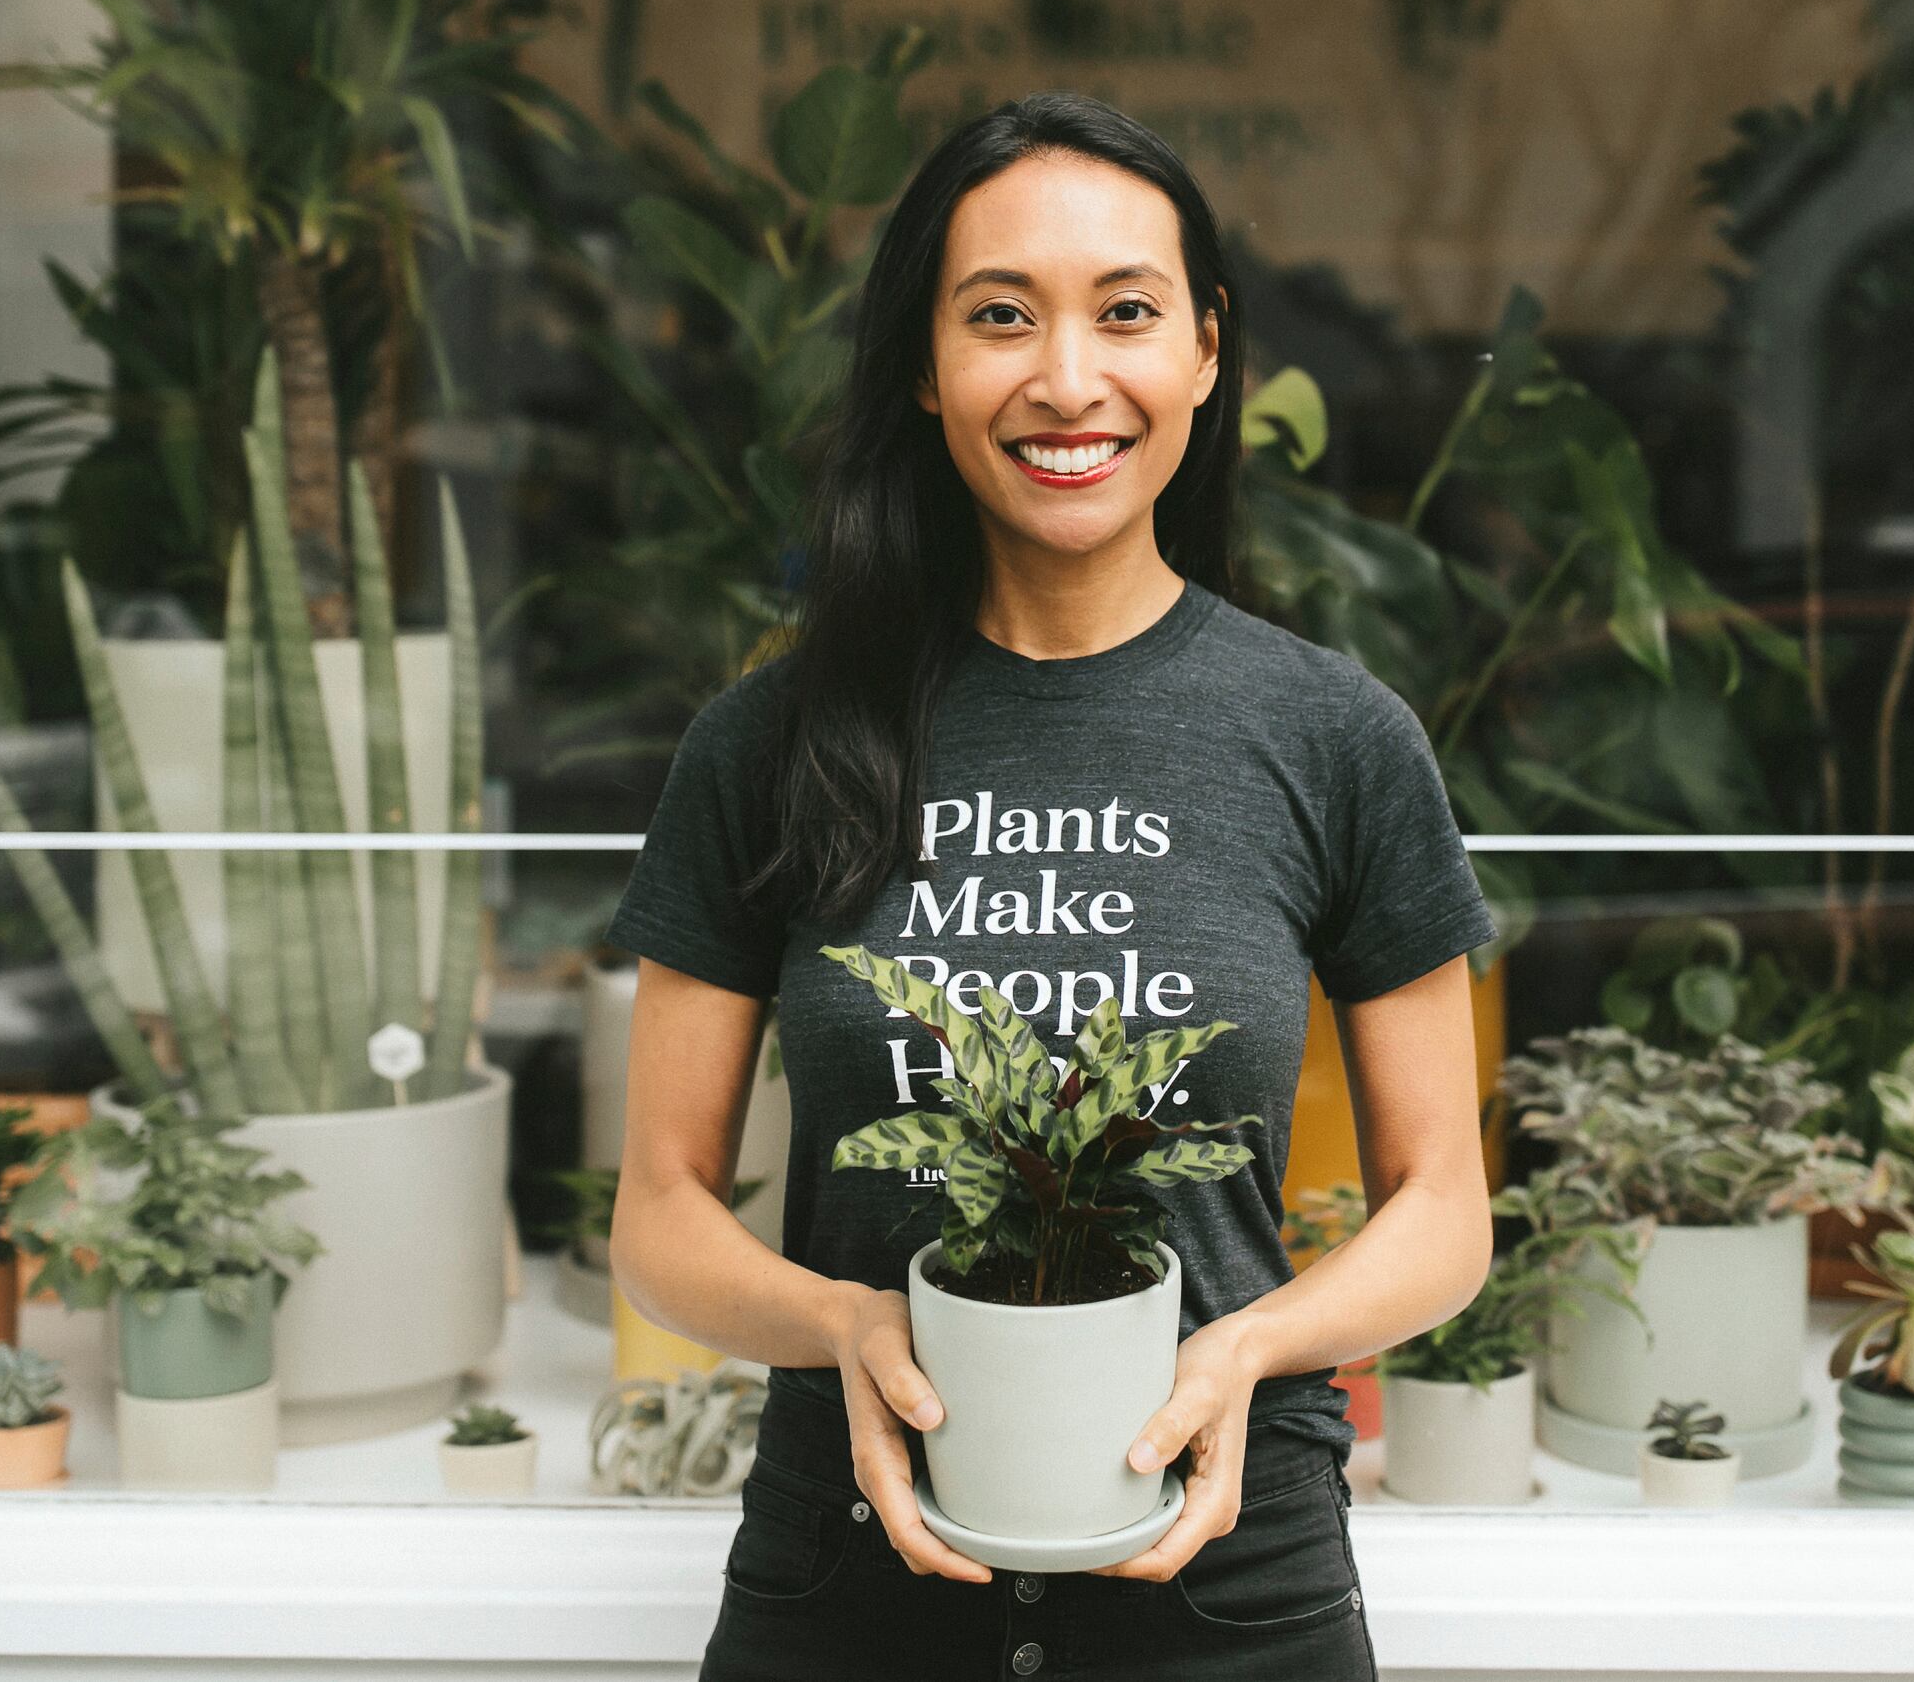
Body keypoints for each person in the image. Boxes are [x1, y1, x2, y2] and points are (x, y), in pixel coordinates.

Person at [604, 89, 1497, 1682]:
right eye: (1000, 316)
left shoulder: (1333, 736)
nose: (1067, 380)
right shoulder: (772, 741)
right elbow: (662, 1214)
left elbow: (1444, 1211)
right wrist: (843, 1323)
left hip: (1228, 1584)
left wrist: (1250, 1348)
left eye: (1127, 313)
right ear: (928, 373)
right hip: (853, 1567)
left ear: (1207, 354)